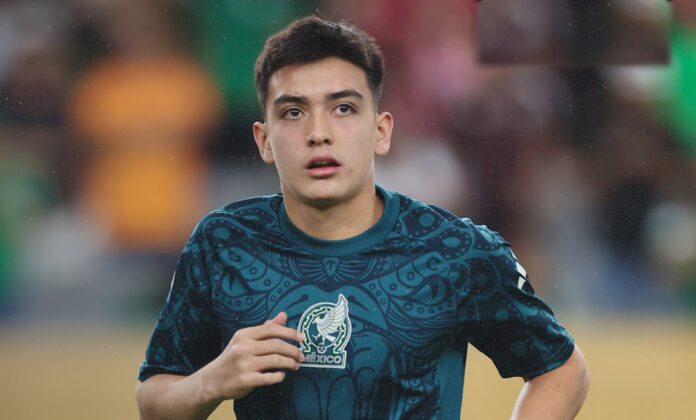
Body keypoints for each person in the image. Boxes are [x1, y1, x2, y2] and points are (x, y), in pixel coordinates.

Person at [136, 15, 590, 420]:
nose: (318, 133)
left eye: (343, 108)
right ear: (264, 140)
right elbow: (154, 399)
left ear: (381, 131)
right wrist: (212, 380)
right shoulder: (223, 242)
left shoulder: (456, 251)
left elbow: (562, 370)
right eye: (293, 112)